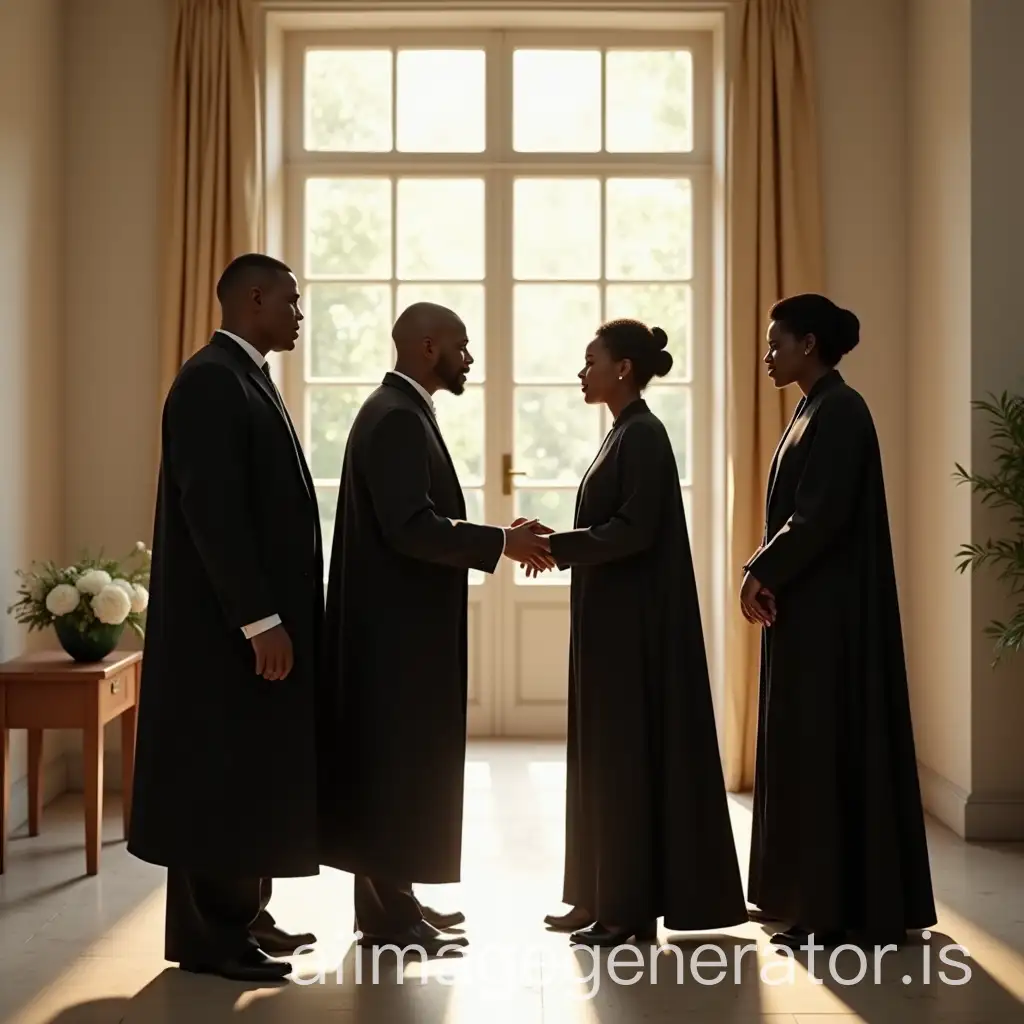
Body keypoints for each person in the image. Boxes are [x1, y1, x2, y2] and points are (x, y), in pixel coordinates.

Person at [316, 302, 553, 955]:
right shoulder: (396, 417)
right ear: (426, 346)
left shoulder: (402, 410)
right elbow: (410, 527)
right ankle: (389, 923)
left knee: (398, 767)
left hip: (397, 630)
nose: (469, 358)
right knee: (394, 767)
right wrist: (500, 540)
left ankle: (397, 903)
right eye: (462, 345)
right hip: (394, 638)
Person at [127, 253, 323, 982]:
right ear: (253, 297)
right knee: (221, 778)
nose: (300, 316)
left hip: (242, 631)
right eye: (292, 303)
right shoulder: (211, 380)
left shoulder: (243, 377)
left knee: (249, 775)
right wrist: (259, 620)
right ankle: (213, 938)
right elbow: (212, 513)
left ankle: (246, 916)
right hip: (223, 636)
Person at [534, 319, 748, 946]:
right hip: (611, 629)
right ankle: (598, 894)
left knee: (623, 764)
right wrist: (557, 542)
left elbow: (633, 531)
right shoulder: (624, 434)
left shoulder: (644, 436)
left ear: (623, 368)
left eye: (590, 358)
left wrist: (555, 546)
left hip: (632, 636)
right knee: (602, 761)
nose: (582, 371)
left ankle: (625, 913)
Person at [740, 293, 936, 947]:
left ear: (809, 345)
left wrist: (760, 569)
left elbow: (819, 515)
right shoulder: (815, 407)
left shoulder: (841, 411)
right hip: (810, 609)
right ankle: (812, 904)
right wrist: (769, 572)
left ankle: (829, 911)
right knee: (807, 752)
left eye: (777, 343)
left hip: (831, 618)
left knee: (822, 753)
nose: (768, 355)